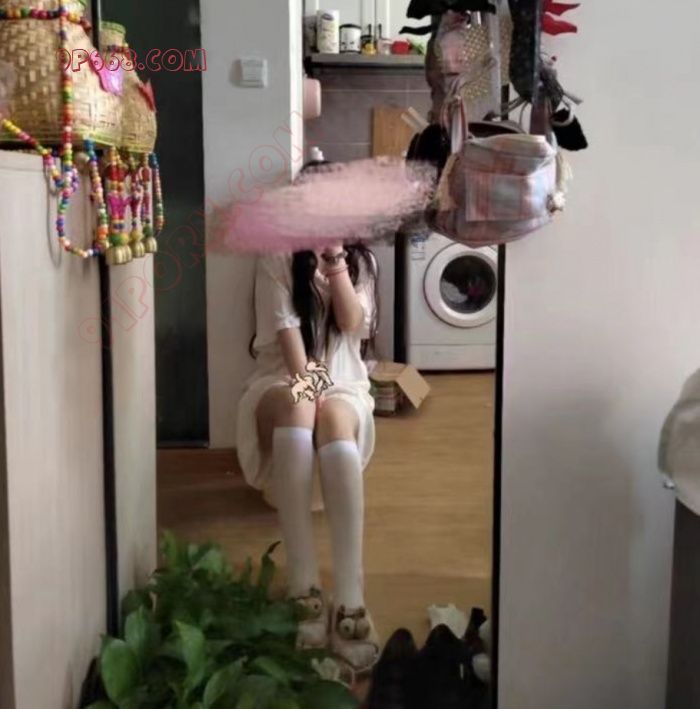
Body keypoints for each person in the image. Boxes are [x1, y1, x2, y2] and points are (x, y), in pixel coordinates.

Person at [236, 240, 380, 674]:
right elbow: (291, 346)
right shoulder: (275, 254)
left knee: (334, 418)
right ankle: (304, 585)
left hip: (345, 382)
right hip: (283, 379)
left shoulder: (361, 260)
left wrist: (335, 260)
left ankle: (350, 595)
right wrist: (314, 393)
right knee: (301, 407)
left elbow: (354, 325)